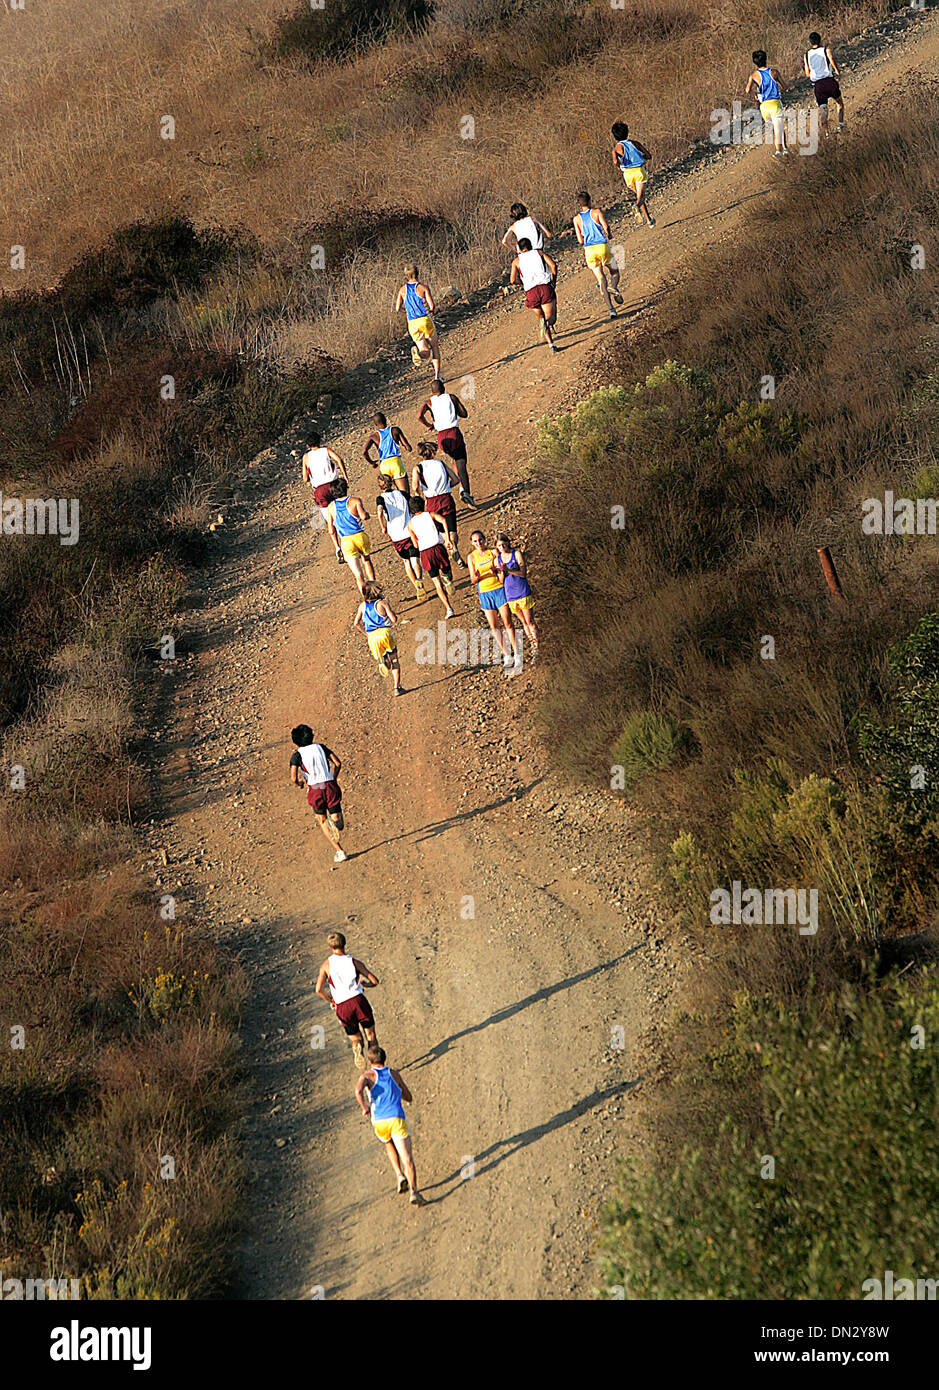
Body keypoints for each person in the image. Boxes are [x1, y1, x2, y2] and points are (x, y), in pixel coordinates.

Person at [355, 1045, 425, 1206]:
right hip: (396, 1118)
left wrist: (364, 1107)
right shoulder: (394, 1074)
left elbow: (358, 1091)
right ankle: (414, 1191)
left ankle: (399, 1175)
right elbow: (408, 1096)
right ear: (384, 1059)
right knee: (408, 1158)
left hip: (379, 1121)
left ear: (370, 1061)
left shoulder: (367, 1075)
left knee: (388, 1142)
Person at [315, 932, 379, 1069]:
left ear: (330, 947)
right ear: (344, 943)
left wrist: (331, 1000)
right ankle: (376, 1066)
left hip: (342, 1006)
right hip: (358, 1001)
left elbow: (318, 989)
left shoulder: (326, 966)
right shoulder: (354, 962)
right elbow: (375, 980)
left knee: (355, 1037)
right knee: (370, 1034)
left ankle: (357, 1046)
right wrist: (366, 984)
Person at [289, 724, 347, 864]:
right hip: (330, 785)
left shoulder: (297, 755)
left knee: (322, 820)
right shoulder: (321, 747)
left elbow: (293, 777)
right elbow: (338, 763)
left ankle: (340, 851)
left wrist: (300, 784)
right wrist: (333, 777)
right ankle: (336, 821)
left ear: (295, 741)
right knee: (337, 819)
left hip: (315, 789)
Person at [467, 528, 519, 672]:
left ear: (485, 539)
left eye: (480, 540)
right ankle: (507, 653)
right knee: (494, 626)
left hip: (498, 589)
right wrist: (477, 576)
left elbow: (500, 568)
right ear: (472, 543)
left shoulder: (493, 552)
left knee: (508, 622)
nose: (479, 543)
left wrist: (495, 571)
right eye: (475, 541)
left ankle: (516, 651)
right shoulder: (471, 557)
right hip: (485, 592)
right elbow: (472, 579)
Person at [418, 380, 474, 504]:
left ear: (432, 391)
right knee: (461, 462)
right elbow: (464, 414)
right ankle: (466, 492)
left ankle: (456, 486)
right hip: (453, 432)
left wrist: (429, 425)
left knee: (454, 457)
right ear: (444, 388)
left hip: (441, 437)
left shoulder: (429, 402)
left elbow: (419, 416)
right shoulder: (451, 397)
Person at [412, 441, 465, 568]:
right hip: (446, 498)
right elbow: (456, 479)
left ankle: (449, 549)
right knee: (451, 529)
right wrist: (447, 486)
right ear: (433, 452)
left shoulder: (418, 468)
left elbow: (415, 486)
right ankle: (453, 545)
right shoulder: (440, 463)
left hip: (431, 501)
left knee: (441, 531)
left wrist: (420, 495)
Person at [573, 192, 623, 319]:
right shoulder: (596, 212)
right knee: (614, 271)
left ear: (579, 204)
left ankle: (611, 310)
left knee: (601, 279)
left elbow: (580, 240)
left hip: (589, 250)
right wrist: (609, 234)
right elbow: (605, 226)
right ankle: (614, 287)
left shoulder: (576, 219)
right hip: (602, 246)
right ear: (589, 201)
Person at [376, 474, 425, 601]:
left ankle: (417, 587)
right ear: (392, 482)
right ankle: (419, 579)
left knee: (406, 561)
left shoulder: (381, 498)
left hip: (396, 535)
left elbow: (380, 511)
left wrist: (383, 526)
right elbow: (412, 504)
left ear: (380, 486)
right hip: (409, 530)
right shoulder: (402, 493)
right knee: (415, 559)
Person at [301, 431, 348, 561]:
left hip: (320, 490)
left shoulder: (306, 457)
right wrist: (344, 475)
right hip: (334, 485)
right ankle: (346, 542)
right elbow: (339, 459)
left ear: (308, 445)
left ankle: (337, 547)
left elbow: (305, 479)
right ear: (319, 441)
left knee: (329, 519)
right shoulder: (326, 450)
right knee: (340, 513)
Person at [407, 495, 456, 619]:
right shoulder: (430, 514)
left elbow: (415, 544)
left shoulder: (410, 524)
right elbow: (443, 520)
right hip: (438, 548)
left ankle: (449, 608)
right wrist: (448, 539)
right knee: (446, 571)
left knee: (436, 583)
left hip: (425, 553)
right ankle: (448, 580)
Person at [352, 581, 403, 695]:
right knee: (394, 660)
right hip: (385, 633)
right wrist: (393, 614)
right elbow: (393, 619)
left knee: (384, 656)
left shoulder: (362, 606)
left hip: (372, 637)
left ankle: (383, 661)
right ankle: (396, 688)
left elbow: (356, 623)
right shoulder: (382, 603)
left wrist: (366, 633)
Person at [326, 479, 375, 595]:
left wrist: (337, 547)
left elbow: (331, 530)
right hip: (360, 536)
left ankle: (367, 597)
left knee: (358, 574)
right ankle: (374, 588)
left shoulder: (331, 507)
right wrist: (367, 515)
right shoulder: (355, 501)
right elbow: (363, 517)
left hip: (346, 541)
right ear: (345, 488)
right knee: (367, 560)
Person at [510, 237, 559, 352]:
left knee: (541, 318)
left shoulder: (516, 261)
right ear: (531, 245)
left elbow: (512, 280)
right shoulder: (539, 253)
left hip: (531, 292)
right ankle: (548, 323)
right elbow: (553, 265)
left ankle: (551, 344)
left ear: (519, 249)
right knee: (551, 318)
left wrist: (522, 283)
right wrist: (554, 280)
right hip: (545, 287)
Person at [495, 533, 538, 657]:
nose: (502, 547)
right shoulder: (497, 560)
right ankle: (532, 644)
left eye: (503, 544)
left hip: (522, 591)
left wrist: (508, 570)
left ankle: (536, 647)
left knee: (530, 621)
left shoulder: (516, 554)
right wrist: (501, 572)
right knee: (523, 622)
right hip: (510, 594)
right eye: (499, 545)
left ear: (508, 543)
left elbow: (523, 573)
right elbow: (501, 581)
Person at [394, 265, 441, 378]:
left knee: (424, 350)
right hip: (424, 319)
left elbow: (397, 308)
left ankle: (419, 354)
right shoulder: (423, 288)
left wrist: (405, 311)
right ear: (418, 273)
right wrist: (432, 311)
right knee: (434, 347)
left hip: (412, 323)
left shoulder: (402, 290)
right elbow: (432, 305)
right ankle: (437, 377)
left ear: (406, 276)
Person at [611, 122, 655, 225]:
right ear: (627, 132)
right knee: (641, 197)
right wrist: (640, 158)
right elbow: (648, 155)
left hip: (627, 174)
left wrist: (620, 167)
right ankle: (637, 207)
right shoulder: (635, 143)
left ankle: (648, 219)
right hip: (639, 171)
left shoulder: (616, 148)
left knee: (638, 196)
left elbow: (615, 161)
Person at [746, 51, 787, 157]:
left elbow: (747, 90)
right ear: (766, 59)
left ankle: (784, 149)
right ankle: (780, 151)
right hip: (775, 104)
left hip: (764, 107)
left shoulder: (754, 76)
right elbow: (785, 86)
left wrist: (755, 93)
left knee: (775, 128)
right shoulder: (774, 72)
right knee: (779, 128)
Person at [803, 32, 844, 133]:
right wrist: (837, 71)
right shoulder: (826, 50)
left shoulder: (807, 55)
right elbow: (832, 60)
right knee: (839, 103)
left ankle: (826, 133)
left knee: (823, 110)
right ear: (820, 40)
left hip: (818, 85)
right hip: (829, 82)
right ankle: (841, 125)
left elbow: (807, 74)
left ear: (810, 42)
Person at [363, 412, 411, 495]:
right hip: (396, 462)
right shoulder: (395, 430)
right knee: (405, 494)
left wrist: (372, 463)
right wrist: (407, 447)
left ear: (375, 424)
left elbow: (364, 451)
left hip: (384, 464)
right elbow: (408, 447)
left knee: (388, 495)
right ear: (385, 420)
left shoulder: (374, 436)